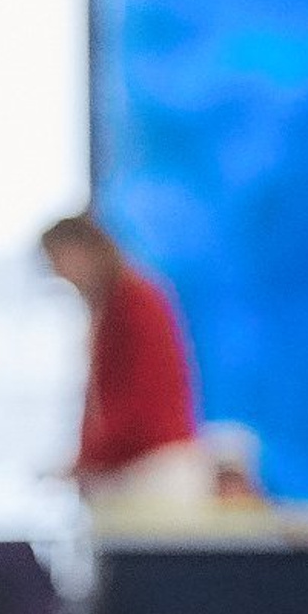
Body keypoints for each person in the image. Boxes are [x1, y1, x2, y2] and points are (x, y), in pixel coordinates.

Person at [38, 213, 206, 509]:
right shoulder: (108, 306)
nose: (58, 272)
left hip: (153, 471)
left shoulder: (135, 301)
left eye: (58, 260)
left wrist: (89, 459)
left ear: (83, 249)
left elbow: (141, 402)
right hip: (130, 472)